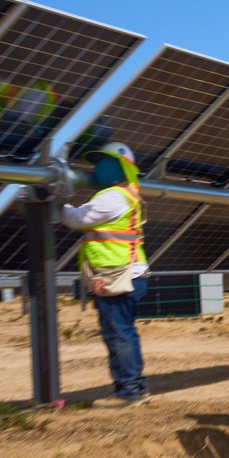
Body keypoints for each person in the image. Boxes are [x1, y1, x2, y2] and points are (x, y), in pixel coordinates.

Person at [60, 141, 151, 409]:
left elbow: (77, 219)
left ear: (120, 166)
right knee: (125, 333)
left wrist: (54, 201)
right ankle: (136, 387)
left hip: (117, 274)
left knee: (118, 334)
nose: (97, 167)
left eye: (103, 161)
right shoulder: (128, 194)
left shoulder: (113, 196)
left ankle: (128, 391)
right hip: (129, 272)